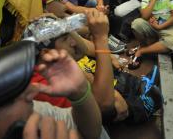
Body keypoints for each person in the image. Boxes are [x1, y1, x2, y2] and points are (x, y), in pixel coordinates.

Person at [26, 11, 162, 124]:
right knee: (112, 105)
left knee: (103, 68)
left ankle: (140, 84)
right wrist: (101, 38)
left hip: (88, 89)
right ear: (46, 53)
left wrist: (61, 23)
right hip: (83, 123)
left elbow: (86, 48)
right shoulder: (44, 84)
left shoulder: (48, 59)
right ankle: (141, 109)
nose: (73, 42)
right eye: (65, 39)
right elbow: (104, 103)